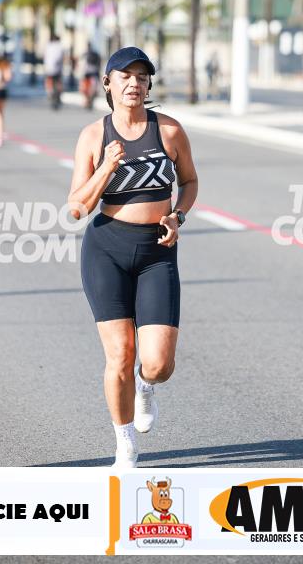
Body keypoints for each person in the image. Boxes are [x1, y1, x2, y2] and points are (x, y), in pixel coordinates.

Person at [67, 47, 199, 467]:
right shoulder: (93, 136)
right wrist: (106, 167)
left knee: (158, 364)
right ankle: (124, 443)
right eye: (125, 76)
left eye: (141, 77)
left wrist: (178, 215)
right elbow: (77, 207)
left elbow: (190, 181)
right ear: (108, 83)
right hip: (106, 249)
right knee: (120, 354)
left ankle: (145, 386)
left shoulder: (169, 131)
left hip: (158, 251)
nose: (134, 84)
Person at [43, 35, 65, 110]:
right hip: (57, 69)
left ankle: (49, 92)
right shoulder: (60, 46)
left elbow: (45, 56)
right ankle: (58, 94)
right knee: (58, 82)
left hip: (48, 69)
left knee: (49, 81)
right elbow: (61, 58)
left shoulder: (48, 46)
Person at [79, 45, 101, 110]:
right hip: (94, 75)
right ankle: (89, 101)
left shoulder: (85, 55)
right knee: (93, 89)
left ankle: (87, 101)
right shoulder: (96, 55)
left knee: (85, 89)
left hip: (87, 75)